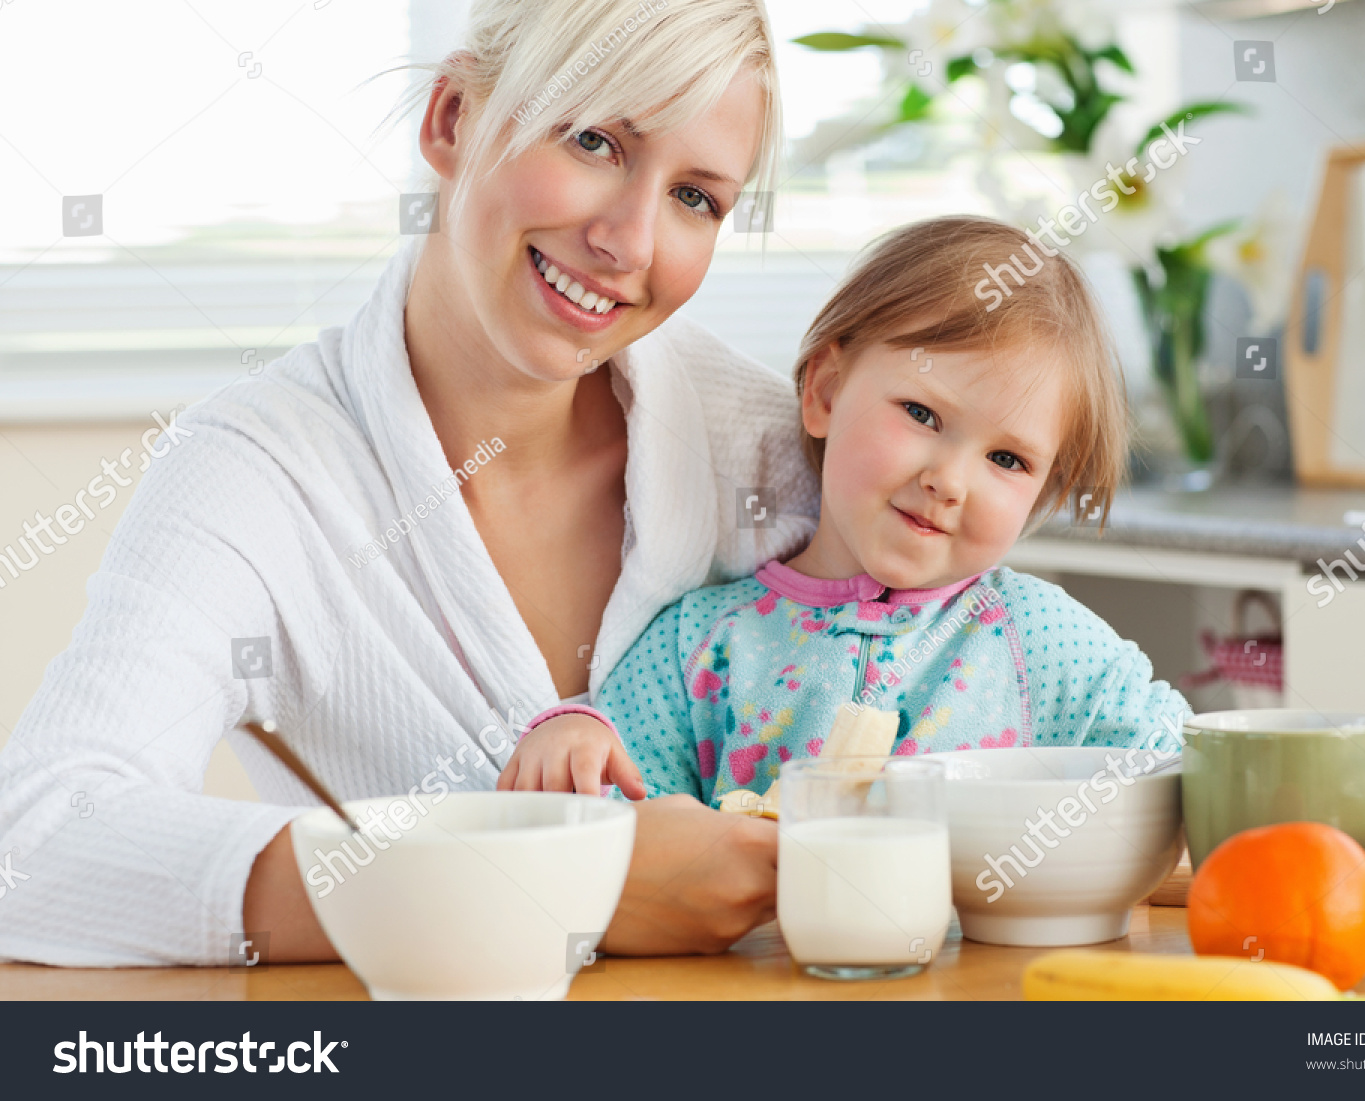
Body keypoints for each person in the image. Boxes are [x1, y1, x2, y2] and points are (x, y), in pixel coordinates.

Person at [0, 0, 818, 966]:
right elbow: (40, 842)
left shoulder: (773, 456)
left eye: (697, 198)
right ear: (453, 119)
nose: (630, 243)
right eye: (594, 139)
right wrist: (546, 888)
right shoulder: (263, 468)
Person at [502, 216, 1190, 801]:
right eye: (921, 413)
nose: (949, 480)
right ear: (826, 393)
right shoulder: (703, 646)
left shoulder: (1041, 642)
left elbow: (1186, 766)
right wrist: (573, 737)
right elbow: (623, 802)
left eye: (1007, 460)